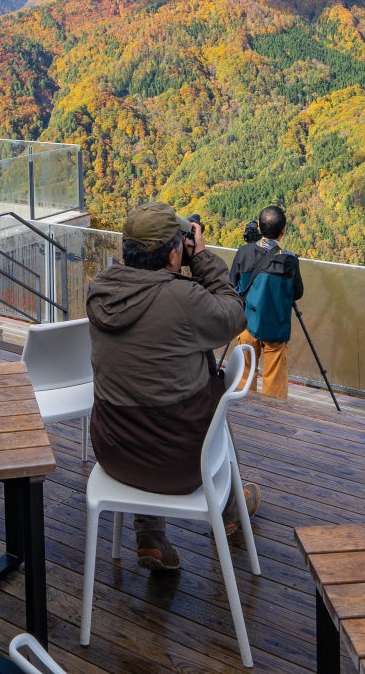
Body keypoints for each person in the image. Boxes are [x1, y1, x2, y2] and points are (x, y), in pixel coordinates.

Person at [87, 202, 254, 571]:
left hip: (113, 453)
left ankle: (149, 533)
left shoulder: (99, 291)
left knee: (149, 391)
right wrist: (204, 257)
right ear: (175, 252)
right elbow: (233, 313)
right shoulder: (182, 299)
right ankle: (227, 512)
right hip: (179, 464)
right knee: (213, 395)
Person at [229, 207, 305, 399]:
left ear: (259, 227)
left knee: (244, 375)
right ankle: (272, 417)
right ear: (283, 230)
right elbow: (297, 293)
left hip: (247, 324)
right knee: (274, 384)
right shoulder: (289, 261)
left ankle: (243, 410)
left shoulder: (244, 252)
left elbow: (232, 284)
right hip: (276, 329)